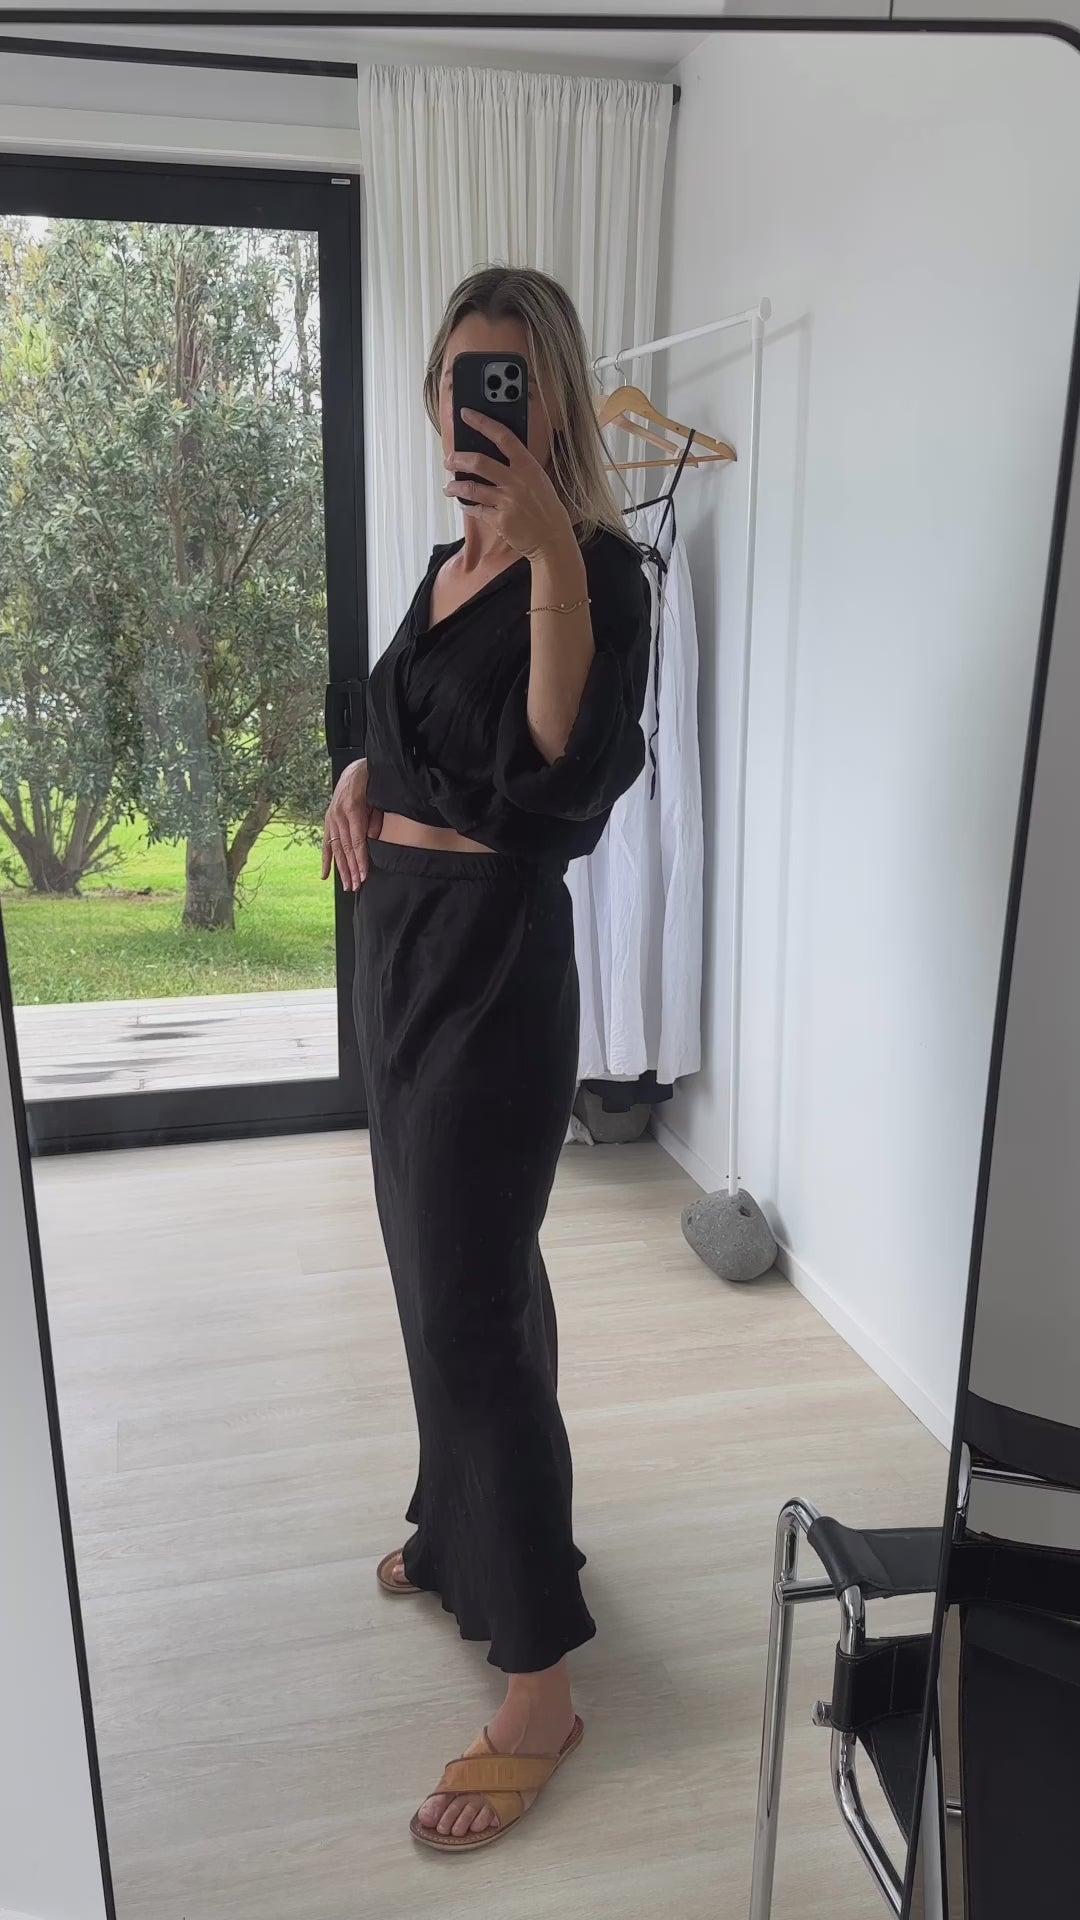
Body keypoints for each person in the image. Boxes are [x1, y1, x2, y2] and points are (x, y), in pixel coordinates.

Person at [322, 266, 651, 1852]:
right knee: (445, 1277)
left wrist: (551, 561)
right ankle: (466, 1532)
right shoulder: (446, 565)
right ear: (436, 397)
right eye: (462, 378)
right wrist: (359, 770)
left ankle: (541, 1683)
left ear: (555, 396)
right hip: (397, 946)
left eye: (509, 378)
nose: (480, 405)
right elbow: (417, 728)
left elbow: (555, 773)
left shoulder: (595, 570)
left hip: (493, 967)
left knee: (466, 1302)